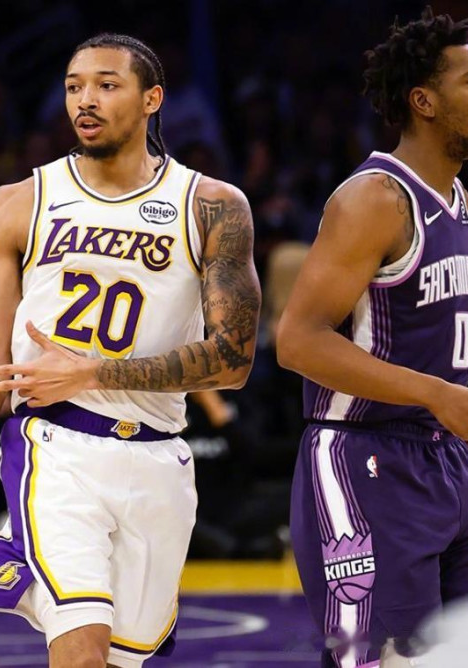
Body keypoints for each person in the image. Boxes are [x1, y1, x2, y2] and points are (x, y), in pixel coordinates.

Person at [0, 33, 260, 668]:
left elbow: (233, 360)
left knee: (117, 661)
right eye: (74, 86)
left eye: (107, 85)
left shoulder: (212, 206)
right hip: (54, 450)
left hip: (159, 456)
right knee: (81, 652)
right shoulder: (17, 204)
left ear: (152, 99)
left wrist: (94, 372)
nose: (86, 99)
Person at [276, 9, 468, 667]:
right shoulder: (378, 199)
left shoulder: (459, 201)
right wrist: (436, 393)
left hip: (448, 457)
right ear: (424, 101)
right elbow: (298, 341)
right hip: (367, 460)